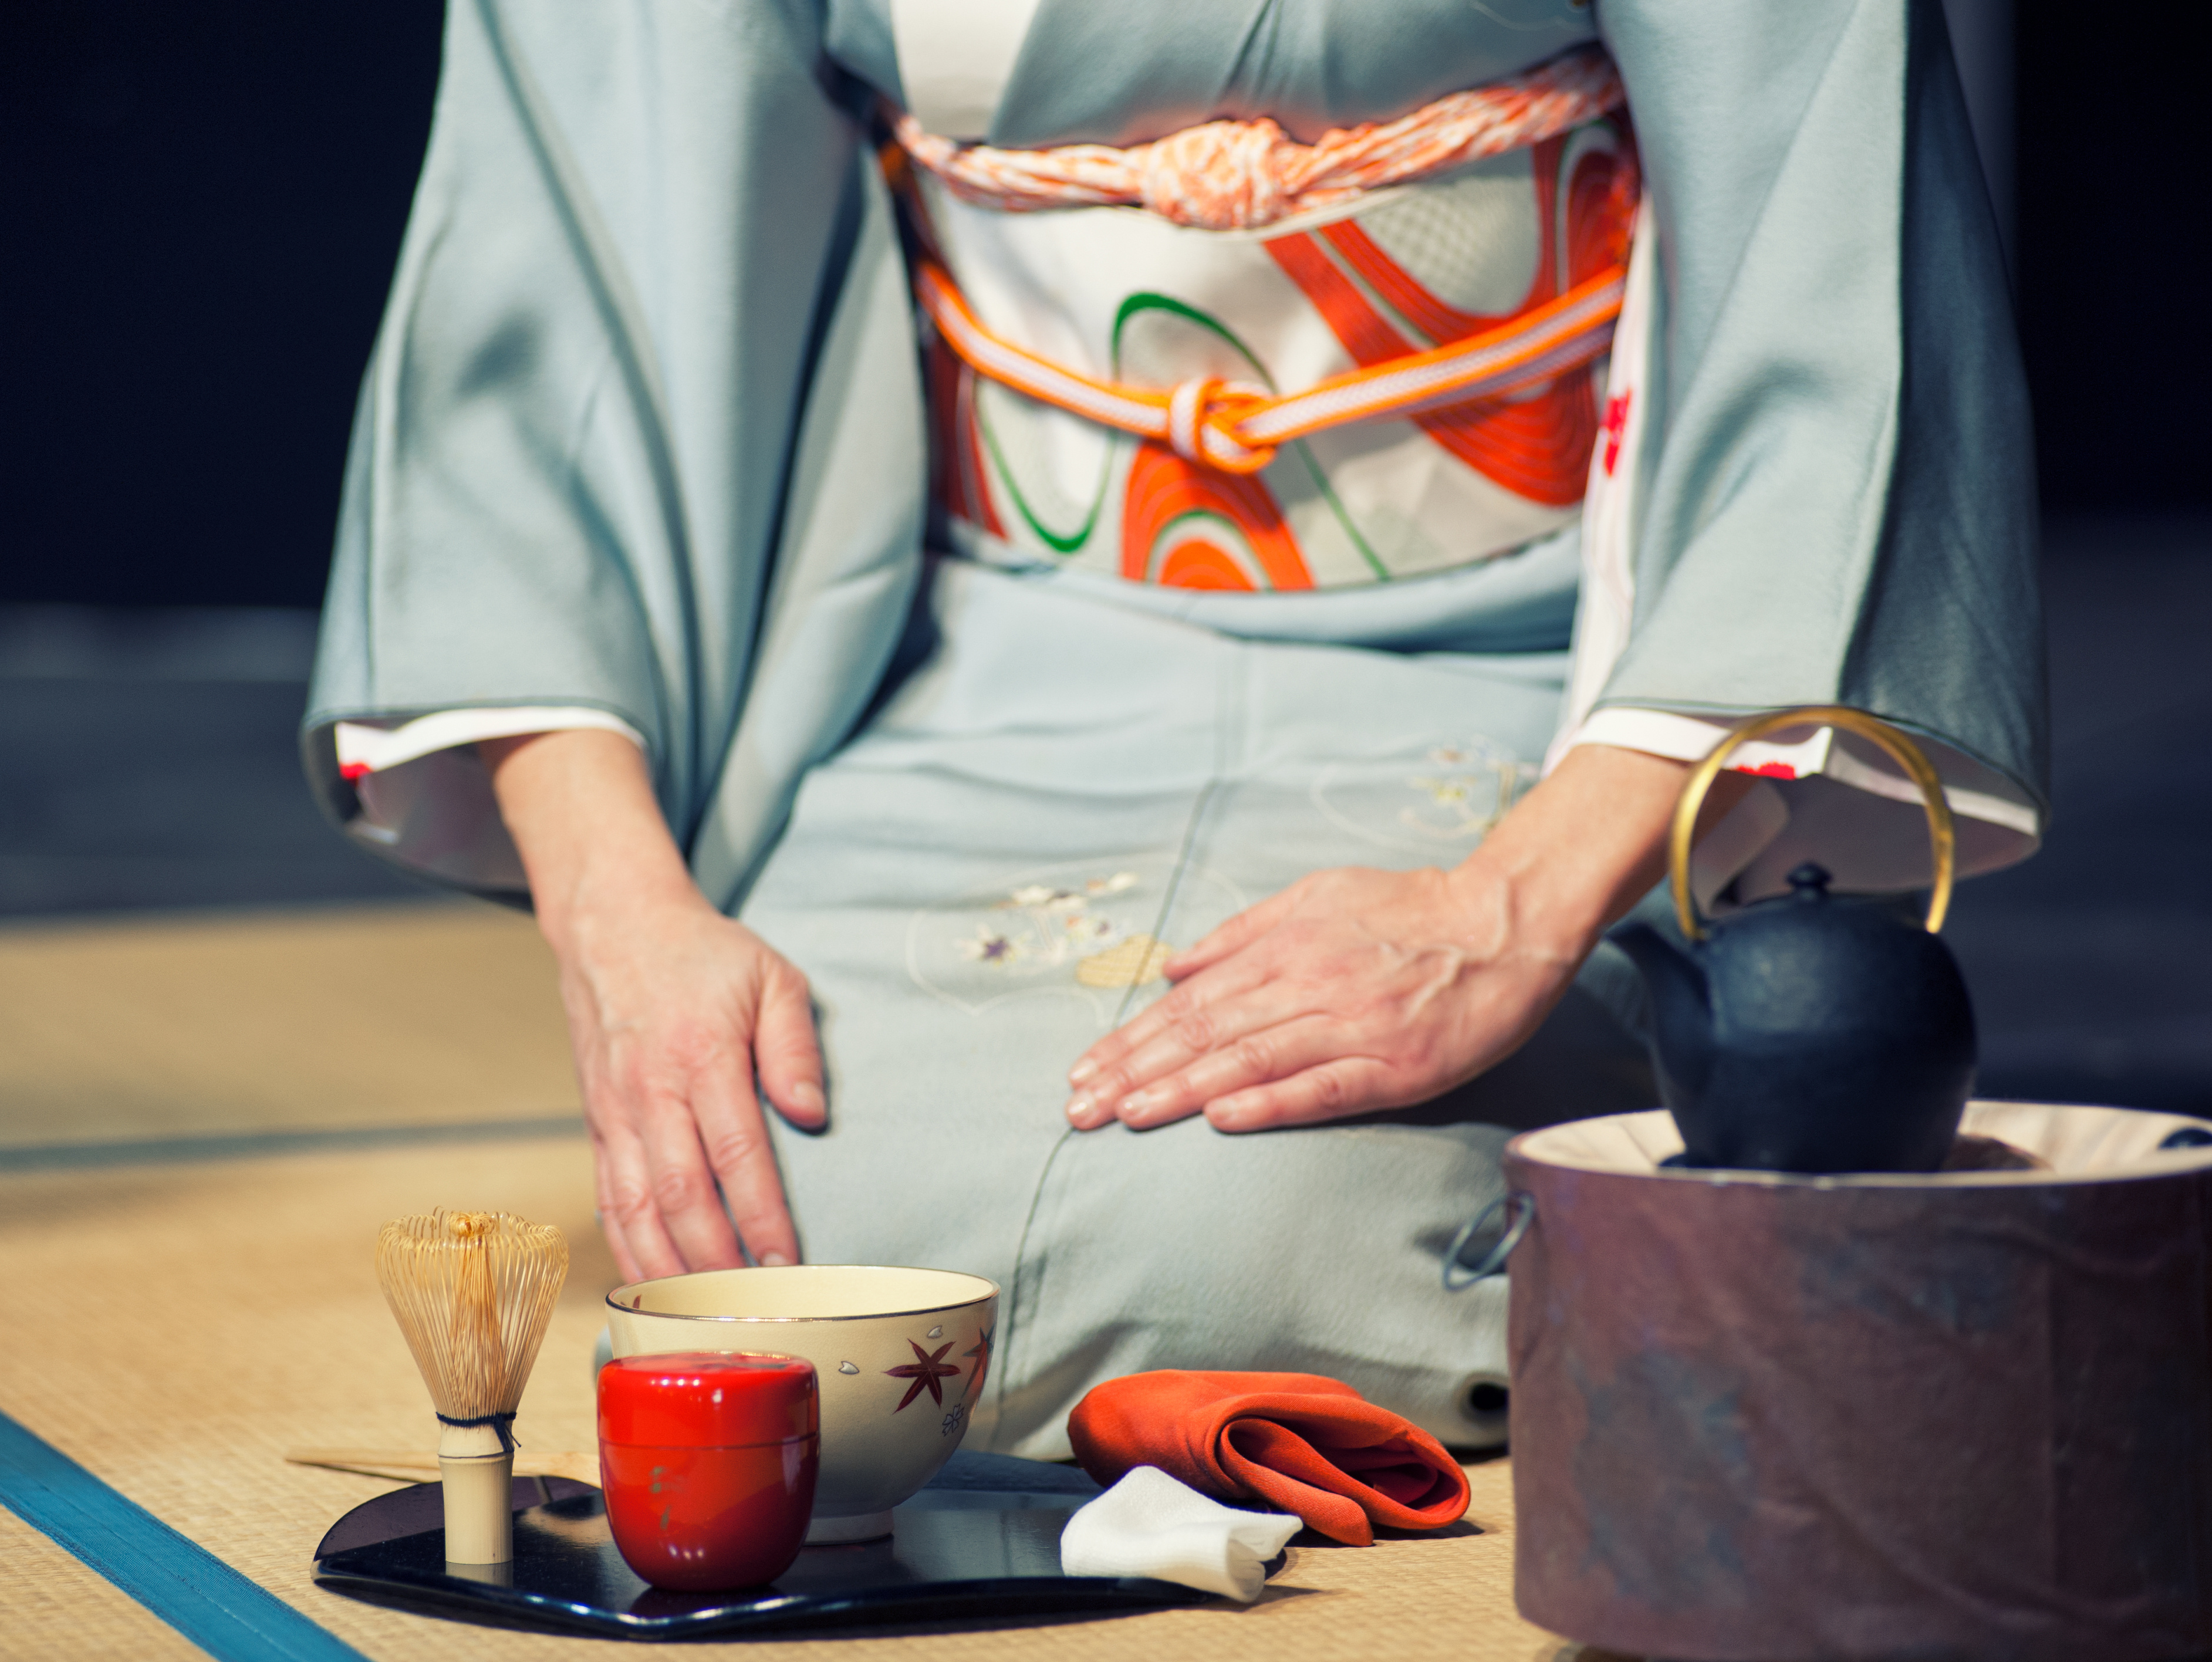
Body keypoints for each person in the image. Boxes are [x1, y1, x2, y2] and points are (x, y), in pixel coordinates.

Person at [305, 0, 2041, 1456]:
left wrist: (1510, 906)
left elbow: (1822, 243)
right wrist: (627, 926)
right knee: (811, 1255)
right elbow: (556, 279)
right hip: (992, 654)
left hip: (1545, 688)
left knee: (1247, 1245)